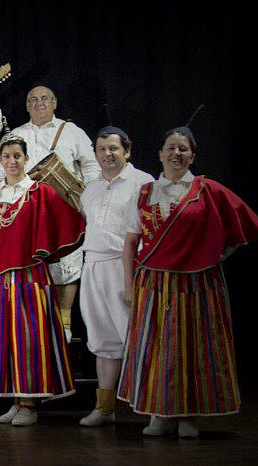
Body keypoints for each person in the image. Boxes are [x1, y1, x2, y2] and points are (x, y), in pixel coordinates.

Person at [118, 127, 258, 438]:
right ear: (160, 154)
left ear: (192, 155)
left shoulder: (207, 190)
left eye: (183, 149)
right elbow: (129, 244)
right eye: (170, 147)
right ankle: (158, 413)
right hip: (154, 284)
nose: (176, 154)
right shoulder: (144, 193)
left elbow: (243, 226)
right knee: (155, 347)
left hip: (198, 286)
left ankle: (188, 416)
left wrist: (218, 254)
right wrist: (128, 286)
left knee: (193, 348)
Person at [0, 133, 84, 426]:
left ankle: (30, 403)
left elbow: (69, 222)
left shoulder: (40, 192)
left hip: (29, 276)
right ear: (1, 159)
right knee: (3, 338)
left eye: (17, 157)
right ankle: (14, 397)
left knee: (29, 337)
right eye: (6, 156)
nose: (11, 161)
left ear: (25, 160)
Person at [0, 86, 100, 341]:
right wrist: (16, 187)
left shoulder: (72, 132)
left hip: (64, 210)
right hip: (27, 215)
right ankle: (37, 325)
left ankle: (64, 322)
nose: (39, 104)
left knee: (67, 264)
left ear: (54, 103)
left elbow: (92, 166)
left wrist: (86, 197)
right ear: (27, 106)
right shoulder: (17, 134)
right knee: (34, 267)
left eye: (44, 99)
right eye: (33, 100)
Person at [76, 127, 154, 427]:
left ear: (127, 151)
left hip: (126, 269)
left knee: (138, 339)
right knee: (102, 340)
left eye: (113, 149)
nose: (107, 154)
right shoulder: (90, 188)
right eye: (102, 149)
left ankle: (155, 410)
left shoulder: (143, 183)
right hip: (93, 266)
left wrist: (132, 279)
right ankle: (104, 409)